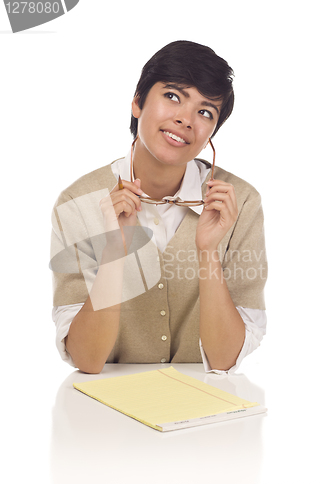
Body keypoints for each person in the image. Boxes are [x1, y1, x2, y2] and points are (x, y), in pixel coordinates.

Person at [51, 40, 267, 374]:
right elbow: (86, 359)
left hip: (206, 411)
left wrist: (209, 250)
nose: (185, 120)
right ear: (137, 103)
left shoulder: (240, 202)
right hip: (104, 414)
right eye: (172, 96)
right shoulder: (77, 203)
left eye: (205, 112)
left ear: (212, 132)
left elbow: (224, 360)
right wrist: (114, 252)